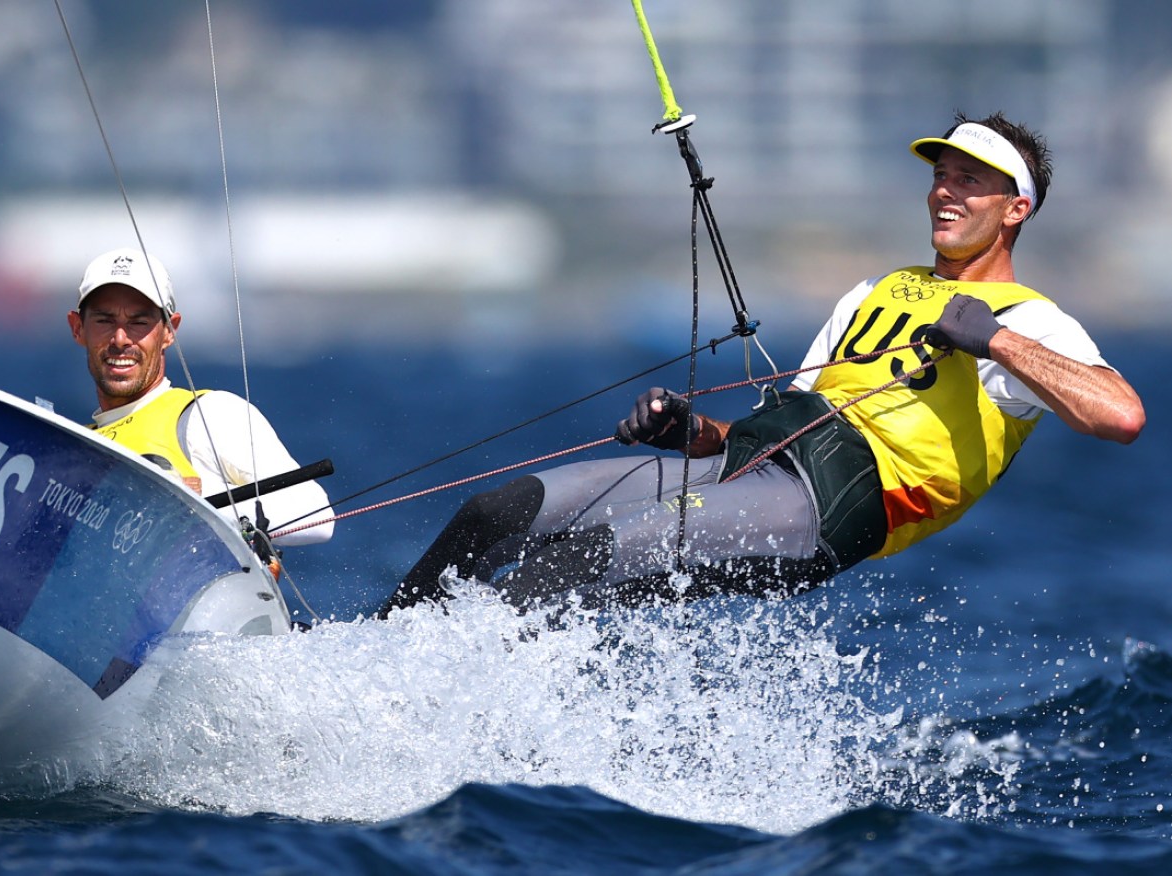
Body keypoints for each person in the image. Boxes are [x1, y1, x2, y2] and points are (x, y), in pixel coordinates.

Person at [379, 111, 1144, 616]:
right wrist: (689, 431)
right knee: (498, 513)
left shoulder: (1031, 320)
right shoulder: (875, 290)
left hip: (829, 512)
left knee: (574, 565)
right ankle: (378, 651)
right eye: (940, 174)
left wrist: (996, 340)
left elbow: (1120, 416)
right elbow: (772, 424)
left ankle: (446, 703)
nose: (944, 191)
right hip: (757, 467)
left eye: (969, 180)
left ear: (1016, 209)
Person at [67, 246, 335, 548]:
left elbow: (318, 516)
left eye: (139, 323)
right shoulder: (74, 449)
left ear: (169, 330)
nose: (120, 339)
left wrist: (190, 498)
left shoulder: (208, 415)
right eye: (104, 321)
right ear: (78, 328)